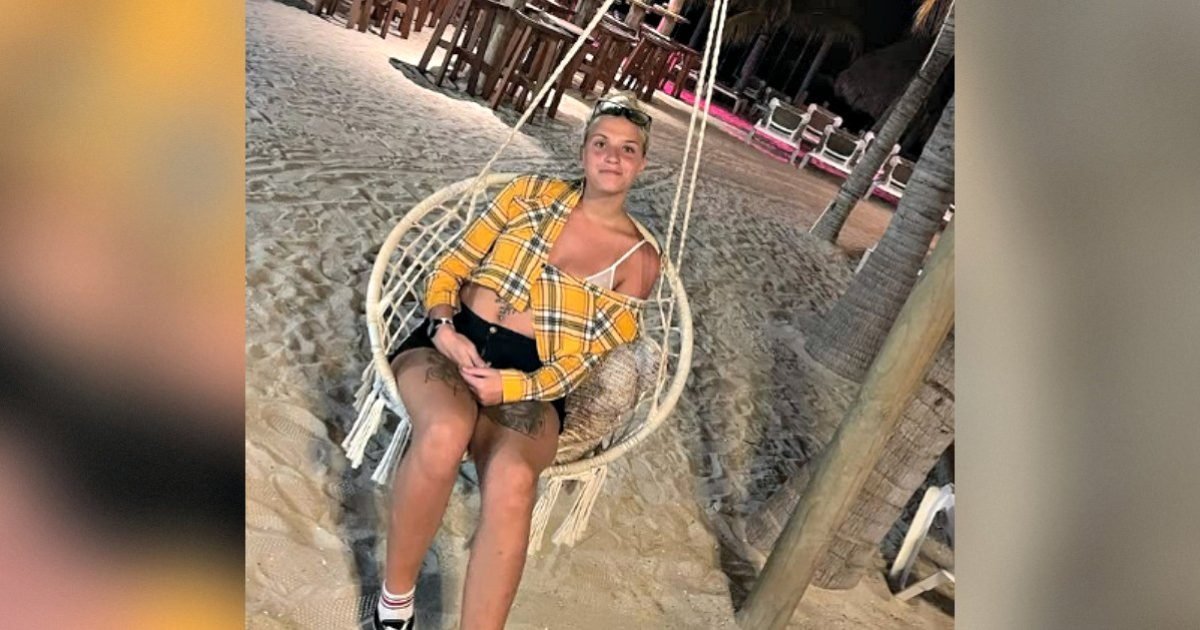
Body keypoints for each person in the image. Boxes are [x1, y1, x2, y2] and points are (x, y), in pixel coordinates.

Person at [375, 93, 661, 630]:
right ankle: (395, 603)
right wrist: (441, 328)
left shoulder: (638, 259)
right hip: (453, 339)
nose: (612, 156)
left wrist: (515, 387)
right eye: (601, 143)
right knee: (444, 431)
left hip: (534, 377)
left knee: (513, 480)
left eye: (628, 149)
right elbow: (451, 266)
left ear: (641, 164)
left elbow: (583, 361)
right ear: (584, 151)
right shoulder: (529, 195)